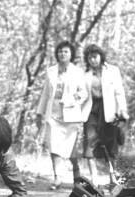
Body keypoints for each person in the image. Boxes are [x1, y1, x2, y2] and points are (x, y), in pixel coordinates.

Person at [36, 40, 88, 189]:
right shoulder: (51, 71)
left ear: (71, 54)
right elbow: (45, 94)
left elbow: (83, 93)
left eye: (65, 51)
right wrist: (39, 113)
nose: (62, 54)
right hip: (53, 114)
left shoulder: (77, 72)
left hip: (71, 114)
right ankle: (57, 177)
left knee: (69, 149)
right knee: (53, 146)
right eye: (60, 51)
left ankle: (77, 174)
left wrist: (72, 101)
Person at [82, 44, 129, 185]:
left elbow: (119, 91)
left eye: (95, 57)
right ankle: (94, 177)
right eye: (90, 58)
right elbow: (80, 93)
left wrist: (123, 110)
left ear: (101, 56)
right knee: (90, 142)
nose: (93, 60)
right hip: (91, 110)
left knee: (111, 143)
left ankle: (112, 176)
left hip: (109, 110)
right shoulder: (85, 74)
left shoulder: (112, 71)